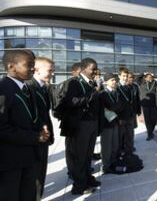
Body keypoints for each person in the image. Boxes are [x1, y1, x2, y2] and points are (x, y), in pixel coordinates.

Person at [0, 50, 50, 201]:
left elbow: (33, 115)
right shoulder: (3, 90)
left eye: (34, 65)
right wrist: (35, 137)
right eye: (29, 65)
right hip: (10, 161)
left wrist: (42, 126)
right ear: (11, 66)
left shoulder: (27, 87)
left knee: (29, 195)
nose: (33, 69)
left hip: (30, 156)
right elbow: (2, 128)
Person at [62, 58, 102, 195]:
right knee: (80, 156)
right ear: (84, 68)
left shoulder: (91, 82)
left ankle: (87, 178)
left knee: (88, 155)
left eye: (96, 68)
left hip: (92, 123)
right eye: (93, 68)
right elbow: (72, 101)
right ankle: (79, 186)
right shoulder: (74, 82)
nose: (95, 71)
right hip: (81, 125)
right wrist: (93, 94)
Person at [26, 57, 55, 198]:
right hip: (35, 137)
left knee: (41, 171)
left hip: (43, 137)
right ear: (36, 69)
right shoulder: (29, 87)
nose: (52, 73)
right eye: (49, 70)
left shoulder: (43, 87)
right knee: (34, 175)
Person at [100, 73, 123, 174]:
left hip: (115, 122)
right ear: (106, 82)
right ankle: (106, 166)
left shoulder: (116, 93)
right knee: (106, 146)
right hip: (106, 123)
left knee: (115, 144)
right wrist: (114, 106)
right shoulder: (103, 94)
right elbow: (112, 106)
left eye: (115, 80)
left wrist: (113, 106)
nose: (114, 82)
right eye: (112, 80)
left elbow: (119, 106)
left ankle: (113, 162)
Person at [117, 67, 139, 155]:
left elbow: (132, 100)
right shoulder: (116, 87)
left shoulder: (129, 87)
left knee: (130, 135)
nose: (125, 78)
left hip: (130, 115)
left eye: (126, 76)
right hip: (120, 116)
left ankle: (129, 152)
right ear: (119, 76)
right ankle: (120, 152)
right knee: (120, 136)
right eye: (123, 76)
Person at [139, 72, 157, 141]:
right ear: (145, 78)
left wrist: (154, 75)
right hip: (145, 104)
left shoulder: (155, 83)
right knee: (147, 120)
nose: (150, 78)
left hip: (153, 104)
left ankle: (150, 131)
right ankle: (149, 134)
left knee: (154, 119)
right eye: (148, 77)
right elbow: (137, 78)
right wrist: (144, 73)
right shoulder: (142, 83)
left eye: (151, 77)